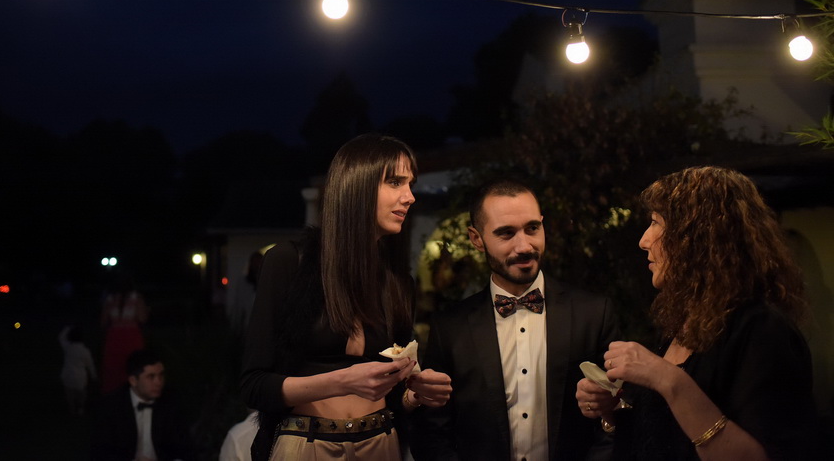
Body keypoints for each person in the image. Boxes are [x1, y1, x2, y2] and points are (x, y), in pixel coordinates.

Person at [575, 166, 817, 460]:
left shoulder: (762, 330)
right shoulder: (688, 322)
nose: (644, 240)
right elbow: (665, 438)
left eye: (656, 223)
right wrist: (613, 409)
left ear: (699, 237)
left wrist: (667, 378)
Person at [240, 133, 453, 461]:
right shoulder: (289, 262)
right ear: (357, 185)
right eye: (395, 182)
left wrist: (415, 393)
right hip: (306, 443)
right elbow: (255, 386)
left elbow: (394, 393)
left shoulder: (397, 282)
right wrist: (342, 381)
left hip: (382, 441)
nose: (410, 196)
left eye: (410, 184)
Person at [412, 177, 619, 461]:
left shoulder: (593, 313)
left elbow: (616, 416)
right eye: (506, 233)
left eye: (532, 228)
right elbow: (432, 431)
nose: (524, 246)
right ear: (477, 239)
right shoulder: (449, 328)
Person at [91, 348, 193, 461]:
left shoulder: (172, 402)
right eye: (151, 377)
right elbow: (100, 452)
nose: (158, 382)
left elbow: (185, 449)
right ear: (133, 381)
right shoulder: (111, 406)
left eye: (161, 375)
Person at [100, 275, 148, 393]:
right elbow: (142, 318)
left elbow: (103, 321)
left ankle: (114, 393)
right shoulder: (136, 298)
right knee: (133, 365)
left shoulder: (110, 299)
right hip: (131, 336)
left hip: (114, 336)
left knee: (114, 367)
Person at [59, 323, 98, 416]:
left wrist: (68, 327)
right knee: (81, 395)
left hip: (67, 376)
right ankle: (80, 409)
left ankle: (72, 410)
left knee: (70, 395)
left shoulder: (68, 347)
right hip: (80, 378)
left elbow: (61, 337)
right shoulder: (85, 351)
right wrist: (94, 376)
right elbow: (90, 365)